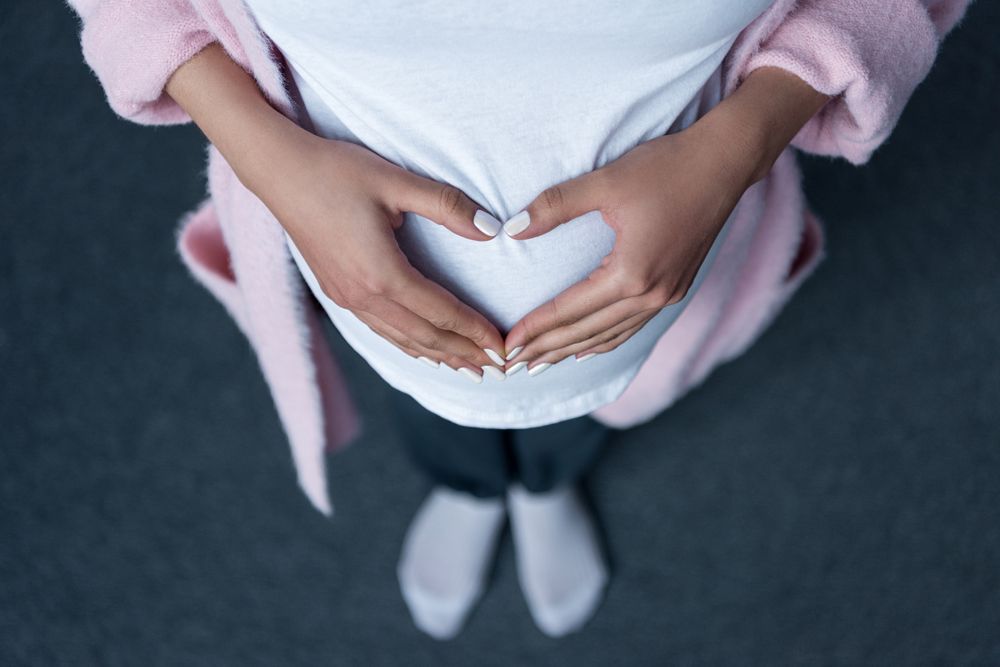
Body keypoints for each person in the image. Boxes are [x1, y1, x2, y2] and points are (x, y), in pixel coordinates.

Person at [66, 0, 971, 641]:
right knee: (433, 417)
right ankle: (469, 482)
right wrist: (269, 157)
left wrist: (743, 140)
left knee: (587, 418)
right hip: (383, 312)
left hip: (657, 306)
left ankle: (544, 479)